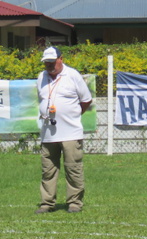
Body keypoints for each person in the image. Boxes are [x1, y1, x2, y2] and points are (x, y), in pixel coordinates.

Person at [35, 46, 93, 214]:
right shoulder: (41, 77)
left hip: (70, 132)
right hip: (48, 133)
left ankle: (74, 203)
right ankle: (47, 203)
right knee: (48, 170)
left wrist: (73, 115)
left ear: (61, 59)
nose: (50, 66)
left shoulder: (72, 75)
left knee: (73, 168)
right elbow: (42, 98)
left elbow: (86, 100)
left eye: (52, 62)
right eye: (46, 63)